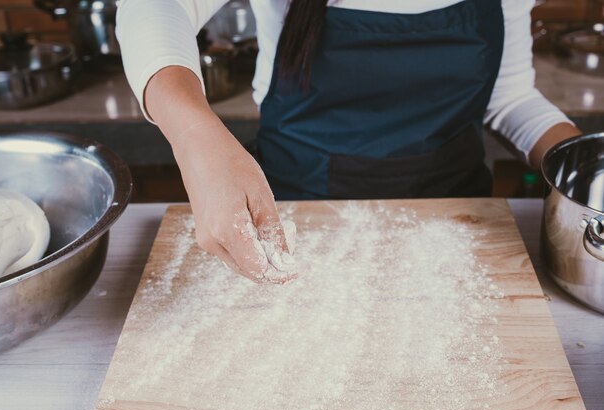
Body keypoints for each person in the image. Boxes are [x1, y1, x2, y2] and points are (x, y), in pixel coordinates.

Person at [115, 0, 581, 283]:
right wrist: (195, 134)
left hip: (457, 220)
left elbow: (510, 96)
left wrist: (584, 167)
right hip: (291, 216)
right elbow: (153, 7)